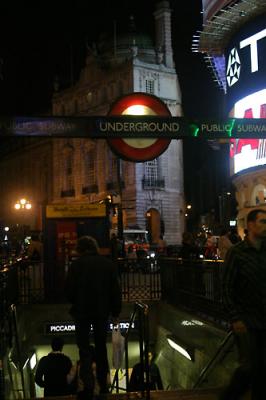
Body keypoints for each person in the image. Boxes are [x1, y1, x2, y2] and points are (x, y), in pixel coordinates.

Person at [65, 235, 122, 399]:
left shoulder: (76, 266)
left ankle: (88, 386)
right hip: (101, 312)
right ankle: (104, 385)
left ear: (81, 249)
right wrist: (115, 312)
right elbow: (115, 291)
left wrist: (77, 301)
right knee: (101, 347)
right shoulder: (107, 265)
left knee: (84, 349)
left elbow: (68, 291)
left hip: (81, 312)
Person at [221, 209, 266, 400]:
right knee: (249, 366)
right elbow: (226, 287)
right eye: (262, 221)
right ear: (250, 225)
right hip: (246, 320)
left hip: (264, 318)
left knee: (263, 368)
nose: (265, 226)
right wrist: (235, 317)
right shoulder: (237, 253)